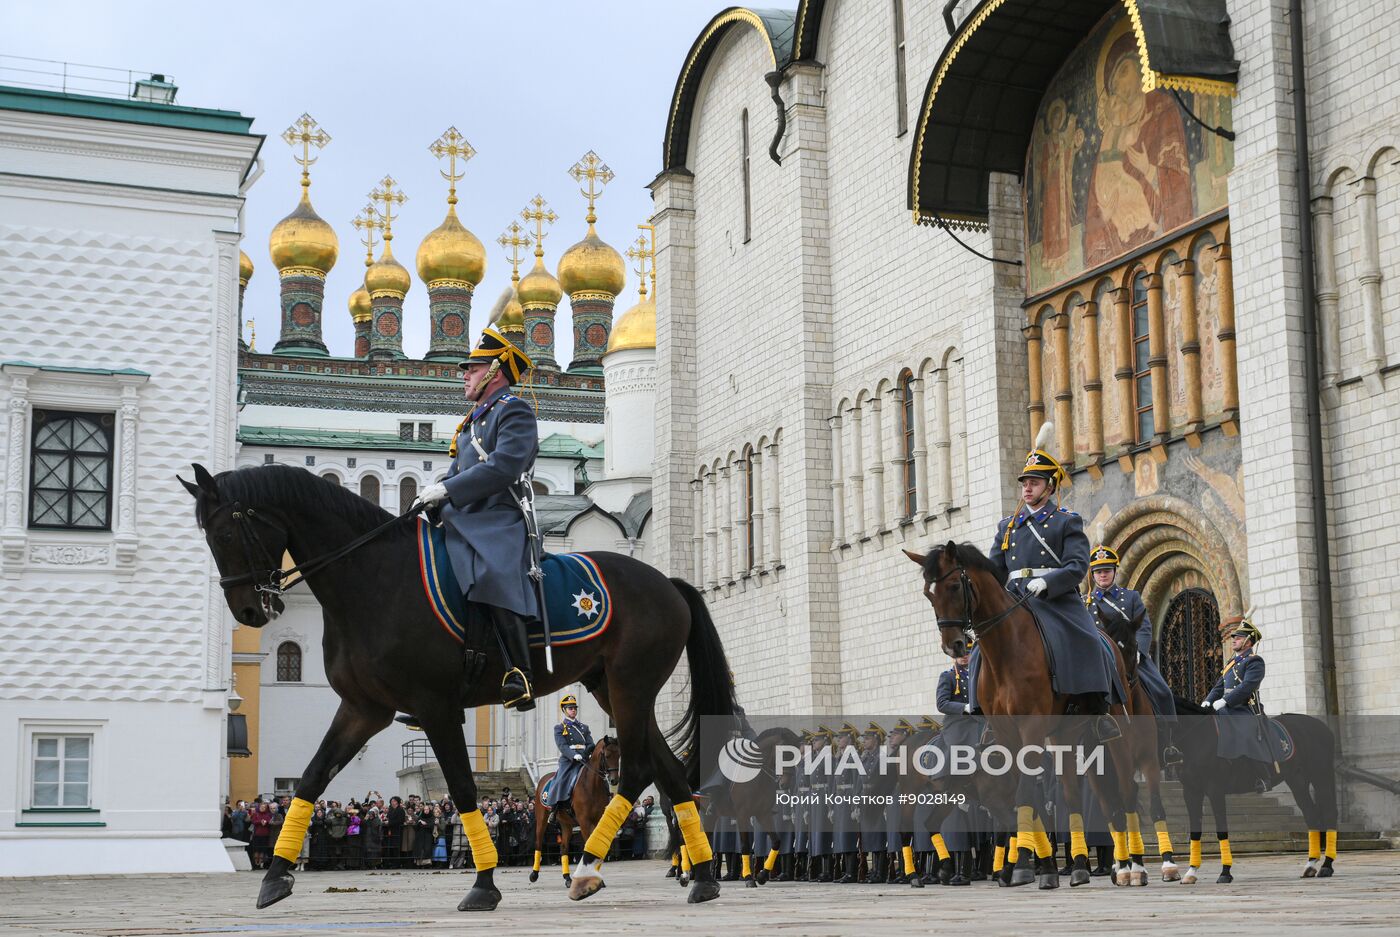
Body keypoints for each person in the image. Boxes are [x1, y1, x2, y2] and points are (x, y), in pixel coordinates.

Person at [410, 326, 540, 712]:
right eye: (467, 369)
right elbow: (458, 471)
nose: (465, 375)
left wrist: (448, 490)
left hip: (498, 517)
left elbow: (504, 467)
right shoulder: (472, 421)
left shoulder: (514, 410)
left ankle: (520, 673)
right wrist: (434, 496)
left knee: (491, 571)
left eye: (473, 368)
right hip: (464, 516)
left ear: (495, 372)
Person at [988, 422, 1119, 742]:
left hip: (1055, 599)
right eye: (1025, 483)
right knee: (984, 646)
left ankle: (1096, 711)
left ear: (1049, 487)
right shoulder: (1007, 526)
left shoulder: (1065, 521)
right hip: (1015, 599)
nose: (1027, 488)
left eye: (1034, 482)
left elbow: (1077, 566)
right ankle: (987, 715)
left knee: (1089, 640)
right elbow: (995, 570)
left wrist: (1048, 583)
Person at [1084, 544, 1182, 765]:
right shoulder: (1085, 602)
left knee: (1162, 691)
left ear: (1114, 571)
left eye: (1106, 570)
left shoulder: (1131, 597)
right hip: (1098, 663)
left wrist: (1139, 652)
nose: (1102, 575)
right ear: (1092, 575)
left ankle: (1168, 743)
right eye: (1098, 571)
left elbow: (1144, 627)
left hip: (1129, 659)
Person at [1203, 616, 1275, 793]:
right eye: (1234, 637)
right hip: (1226, 708)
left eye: (1239, 638)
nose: (1234, 640)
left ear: (1248, 642)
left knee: (1245, 734)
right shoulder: (1231, 664)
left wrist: (1225, 700)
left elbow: (1247, 686)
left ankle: (1264, 777)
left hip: (1245, 708)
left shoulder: (1254, 661)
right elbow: (1219, 686)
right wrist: (1207, 701)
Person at [545, 694, 594, 814]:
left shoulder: (584, 727)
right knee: (561, 780)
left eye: (574, 708)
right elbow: (562, 746)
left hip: (584, 758)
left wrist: (584, 754)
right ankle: (555, 808)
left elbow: (590, 744)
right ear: (564, 710)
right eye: (570, 708)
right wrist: (573, 755)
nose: (573, 710)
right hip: (569, 760)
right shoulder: (560, 728)